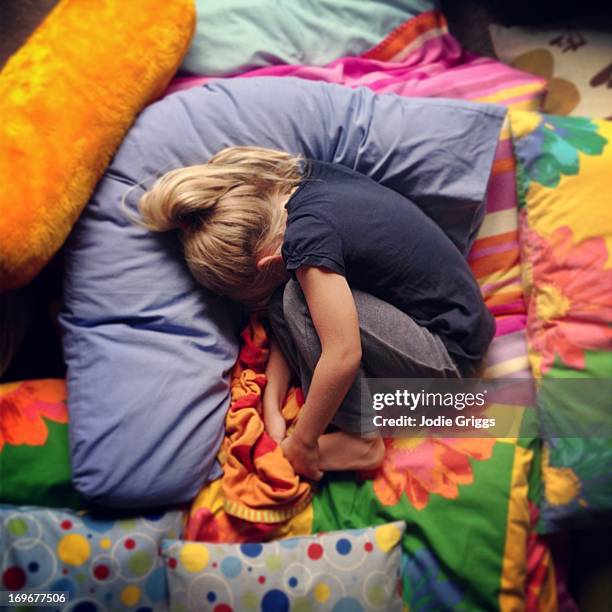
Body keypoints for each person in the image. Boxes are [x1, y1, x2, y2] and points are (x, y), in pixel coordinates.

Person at [137, 146, 495, 480]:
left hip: (449, 360)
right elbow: (287, 316)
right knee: (288, 297)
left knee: (293, 295)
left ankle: (361, 441)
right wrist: (272, 404)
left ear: (268, 262)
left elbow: (342, 353)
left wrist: (304, 440)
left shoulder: (308, 240)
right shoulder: (300, 185)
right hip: (432, 322)